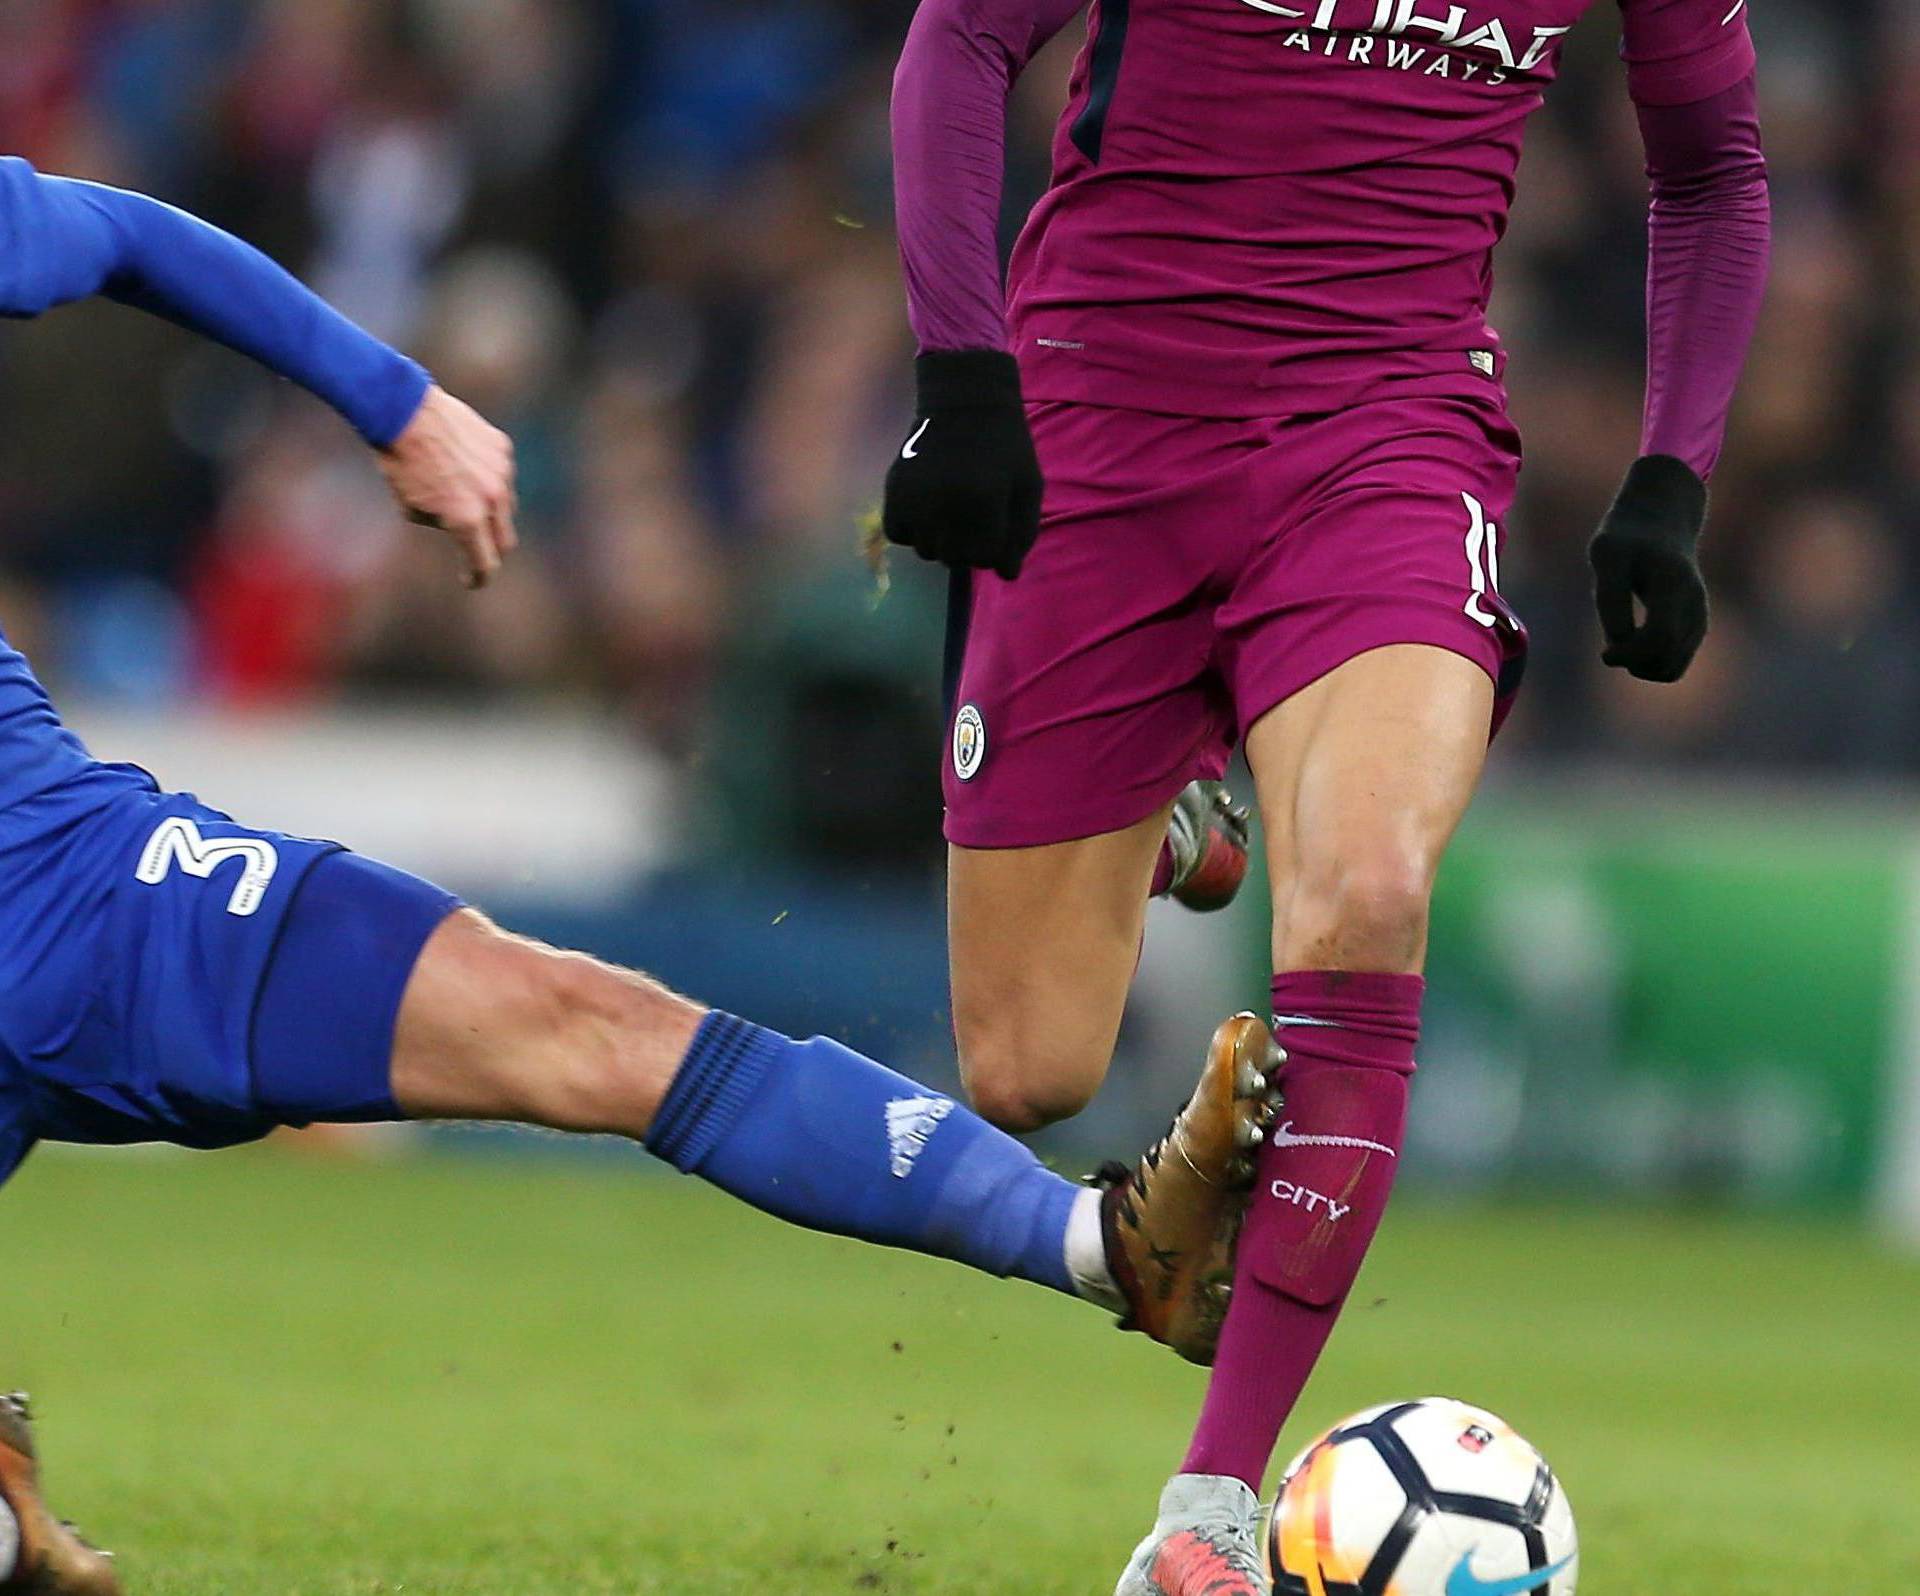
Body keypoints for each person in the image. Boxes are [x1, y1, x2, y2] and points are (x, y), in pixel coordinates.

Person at [0, 158, 1285, 1595]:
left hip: (61, 876)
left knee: (583, 1028)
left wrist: (396, 400)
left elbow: (113, 230)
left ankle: (1102, 1245)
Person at [881, 1, 1770, 1589]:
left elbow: (1714, 170)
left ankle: (1204, 1518)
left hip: (1392, 432)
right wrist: (963, 365)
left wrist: (1670, 475)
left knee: (1367, 888)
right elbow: (958, 41)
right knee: (1027, 1064)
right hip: (1104, 417)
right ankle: (1170, 802)